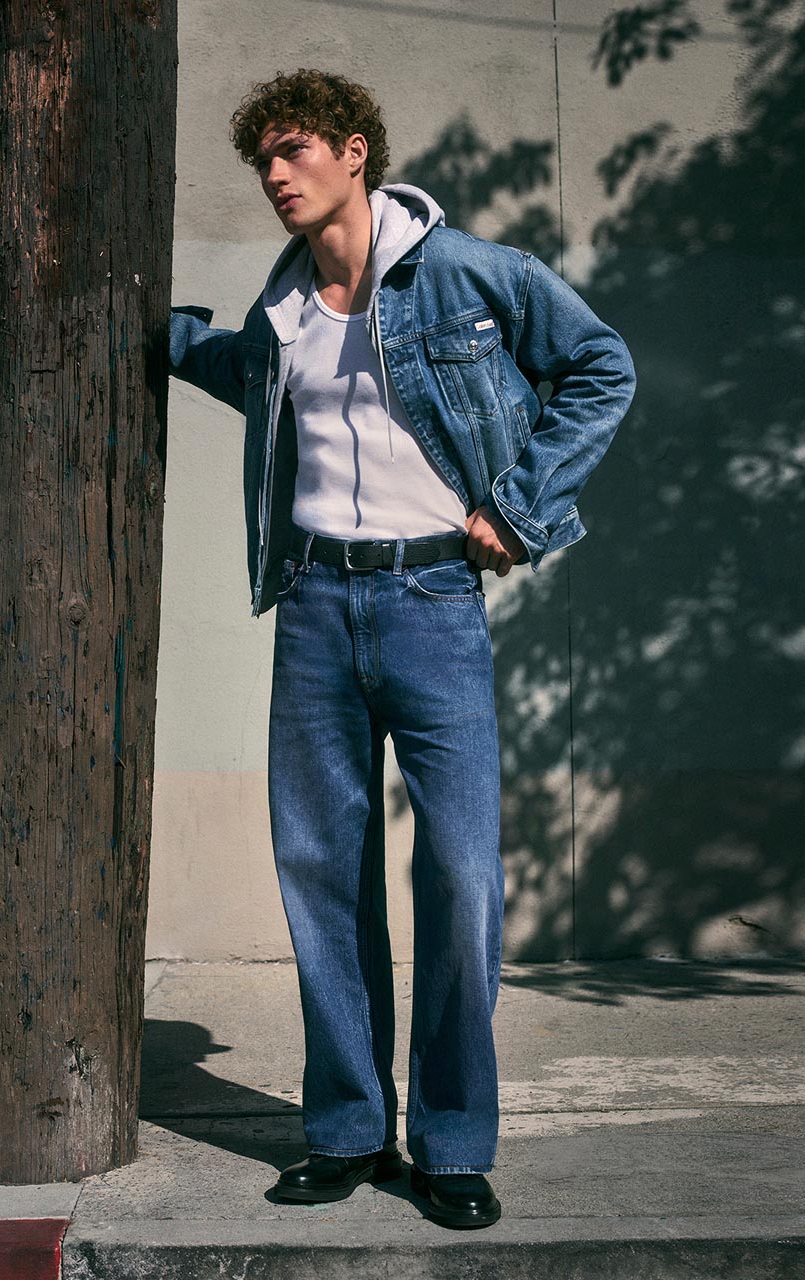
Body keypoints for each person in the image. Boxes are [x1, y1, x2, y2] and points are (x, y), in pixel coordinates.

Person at [169, 68, 635, 1229]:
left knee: (463, 878)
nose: (275, 176)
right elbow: (245, 379)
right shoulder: (280, 313)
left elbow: (601, 368)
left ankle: (453, 1142)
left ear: (354, 150)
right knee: (322, 874)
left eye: (291, 150)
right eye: (262, 161)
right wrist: (159, 335)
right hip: (317, 607)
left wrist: (517, 510)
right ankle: (344, 1129)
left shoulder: (473, 274)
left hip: (432, 597)